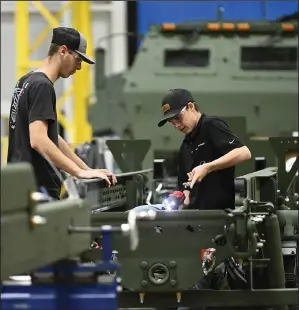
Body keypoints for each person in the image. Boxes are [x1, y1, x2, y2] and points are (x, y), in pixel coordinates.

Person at [134, 88, 251, 310]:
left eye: (177, 118)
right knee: (137, 215)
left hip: (212, 222)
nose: (176, 125)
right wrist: (181, 194)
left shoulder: (211, 126)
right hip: (190, 221)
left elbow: (244, 153)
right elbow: (184, 189)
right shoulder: (186, 145)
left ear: (190, 107)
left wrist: (208, 167)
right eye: (171, 122)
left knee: (194, 288)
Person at [7, 27, 116, 200]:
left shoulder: (25, 81)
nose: (79, 67)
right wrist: (78, 172)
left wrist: (86, 169)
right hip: (37, 191)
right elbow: (38, 140)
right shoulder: (42, 86)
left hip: (20, 187)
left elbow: (51, 138)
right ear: (63, 51)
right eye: (78, 59)